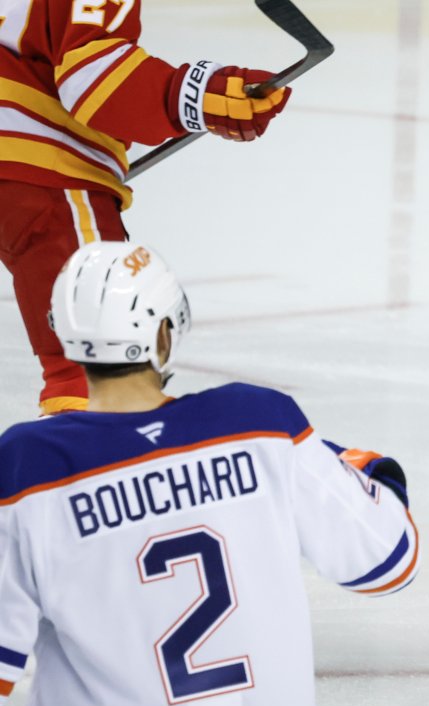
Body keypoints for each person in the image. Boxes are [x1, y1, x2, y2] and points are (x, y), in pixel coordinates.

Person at [0, 242, 418, 706]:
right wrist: (368, 470)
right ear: (164, 334)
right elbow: (388, 562)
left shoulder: (28, 467)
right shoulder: (260, 424)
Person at [1, 0, 291, 415]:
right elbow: (93, 80)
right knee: (95, 359)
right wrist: (198, 95)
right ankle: (93, 474)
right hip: (36, 172)